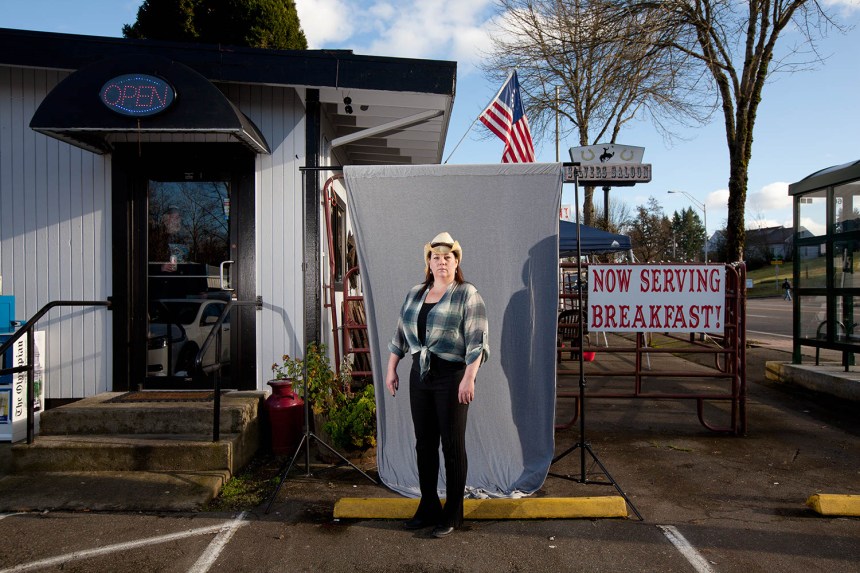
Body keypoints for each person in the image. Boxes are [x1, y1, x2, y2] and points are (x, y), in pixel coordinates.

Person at [385, 232, 489, 538]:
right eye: (435, 257)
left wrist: (469, 378)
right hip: (420, 374)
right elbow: (400, 335)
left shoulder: (467, 293)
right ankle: (428, 504)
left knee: (452, 445)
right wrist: (392, 368)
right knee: (424, 444)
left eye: (447, 257)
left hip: (452, 375)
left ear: (456, 262)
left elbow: (478, 340)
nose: (441, 262)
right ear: (428, 263)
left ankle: (453, 512)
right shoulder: (415, 293)